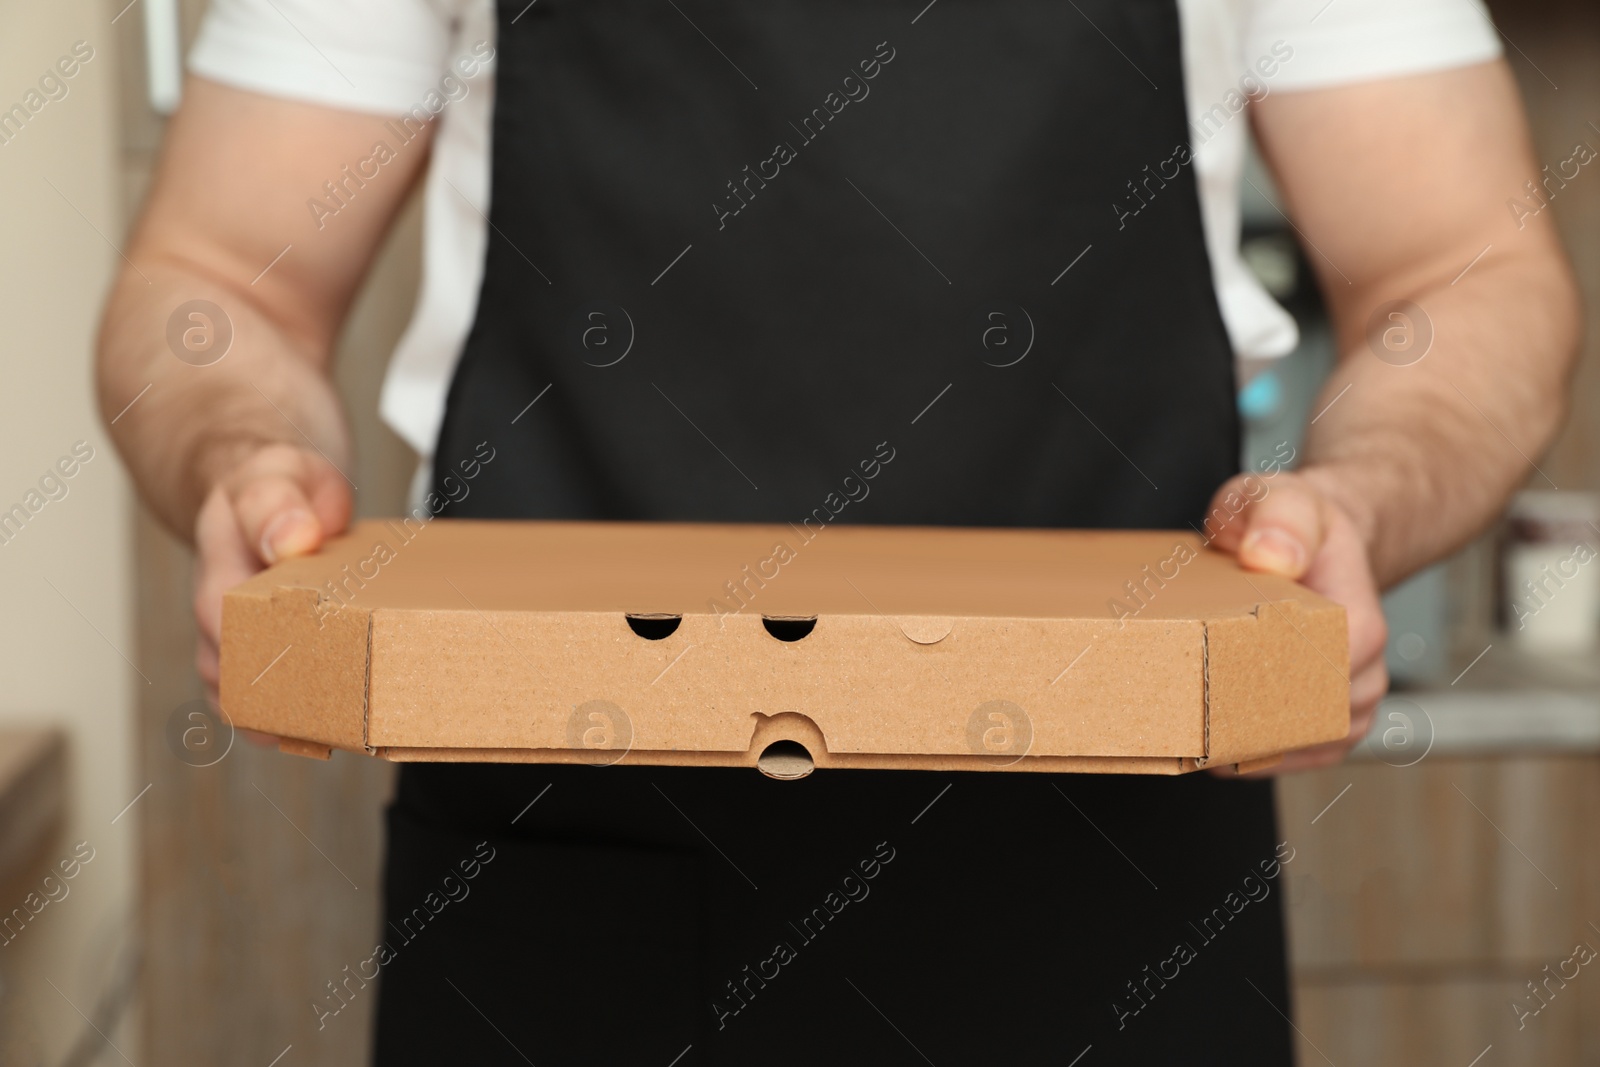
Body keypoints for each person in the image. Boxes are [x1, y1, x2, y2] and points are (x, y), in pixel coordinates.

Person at [98, 0, 1577, 1062]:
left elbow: (1462, 271)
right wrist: (246, 452)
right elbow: (222, 275)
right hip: (567, 890)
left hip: (1116, 896)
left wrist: (1362, 503)